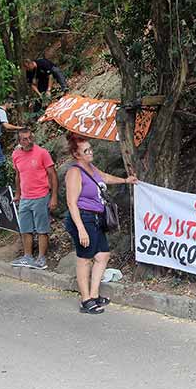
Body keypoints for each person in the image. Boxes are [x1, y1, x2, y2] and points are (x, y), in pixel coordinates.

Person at [63, 133, 137, 314]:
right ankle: (85, 300)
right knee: (85, 259)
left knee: (103, 255)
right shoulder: (74, 172)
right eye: (85, 151)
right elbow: (71, 202)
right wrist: (81, 229)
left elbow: (104, 177)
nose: (90, 153)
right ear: (76, 154)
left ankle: (94, 294)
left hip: (97, 217)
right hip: (83, 218)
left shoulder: (91, 168)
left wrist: (125, 180)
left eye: (90, 149)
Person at [11, 128, 58, 270]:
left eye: (30, 137)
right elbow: (18, 175)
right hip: (25, 198)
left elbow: (53, 175)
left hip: (41, 196)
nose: (29, 141)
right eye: (25, 139)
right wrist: (18, 194)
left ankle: (41, 259)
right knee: (25, 229)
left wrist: (54, 197)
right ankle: (27, 257)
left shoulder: (42, 153)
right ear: (19, 141)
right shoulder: (16, 155)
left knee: (42, 229)